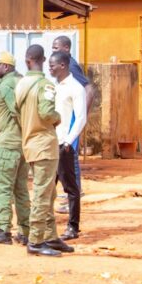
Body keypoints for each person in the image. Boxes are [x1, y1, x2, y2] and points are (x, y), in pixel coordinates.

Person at [15, 44, 73, 257]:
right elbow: (47, 113)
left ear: (27, 60)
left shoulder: (21, 84)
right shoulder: (45, 85)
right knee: (42, 193)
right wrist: (58, 117)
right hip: (44, 144)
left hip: (30, 143)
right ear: (44, 59)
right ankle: (36, 240)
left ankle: (50, 236)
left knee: (49, 192)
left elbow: (16, 112)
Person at [0, 51, 30, 245]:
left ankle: (3, 230)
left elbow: (14, 111)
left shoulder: (5, 85)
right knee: (21, 189)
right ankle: (25, 231)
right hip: (22, 144)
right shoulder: (23, 81)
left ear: (6, 67)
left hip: (8, 144)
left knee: (1, 187)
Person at [48, 51, 87, 241]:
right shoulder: (54, 87)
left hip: (64, 145)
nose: (49, 68)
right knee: (48, 187)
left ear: (63, 65)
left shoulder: (75, 88)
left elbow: (81, 118)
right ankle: (46, 226)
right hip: (50, 143)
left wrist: (68, 141)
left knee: (70, 188)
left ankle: (73, 226)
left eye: (52, 65)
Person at [51, 35, 92, 202]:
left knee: (70, 160)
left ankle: (74, 196)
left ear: (66, 48)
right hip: (64, 125)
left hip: (70, 124)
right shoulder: (64, 70)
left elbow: (89, 89)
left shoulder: (71, 67)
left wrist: (81, 116)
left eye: (56, 47)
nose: (53, 50)